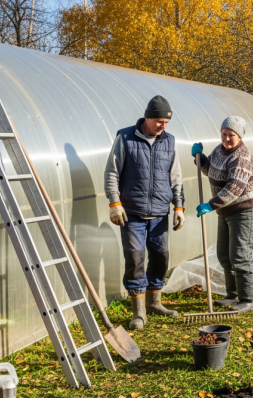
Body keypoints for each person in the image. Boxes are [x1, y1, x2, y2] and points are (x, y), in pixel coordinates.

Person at [104, 95, 185, 329]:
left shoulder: (169, 141)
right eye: (159, 121)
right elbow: (112, 172)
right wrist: (115, 203)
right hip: (132, 212)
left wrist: (179, 206)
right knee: (135, 259)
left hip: (159, 212)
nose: (163, 127)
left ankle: (154, 303)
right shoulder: (126, 137)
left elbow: (176, 177)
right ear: (147, 117)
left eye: (166, 123)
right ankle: (138, 312)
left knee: (160, 258)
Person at [191, 116, 253, 313]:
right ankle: (233, 294)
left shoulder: (241, 157)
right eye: (224, 134)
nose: (227, 138)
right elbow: (210, 171)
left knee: (240, 255)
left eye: (231, 135)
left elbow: (234, 188)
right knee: (224, 254)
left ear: (239, 136)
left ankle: (248, 299)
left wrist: (211, 204)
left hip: (244, 209)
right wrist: (200, 159)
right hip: (226, 210)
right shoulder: (219, 150)